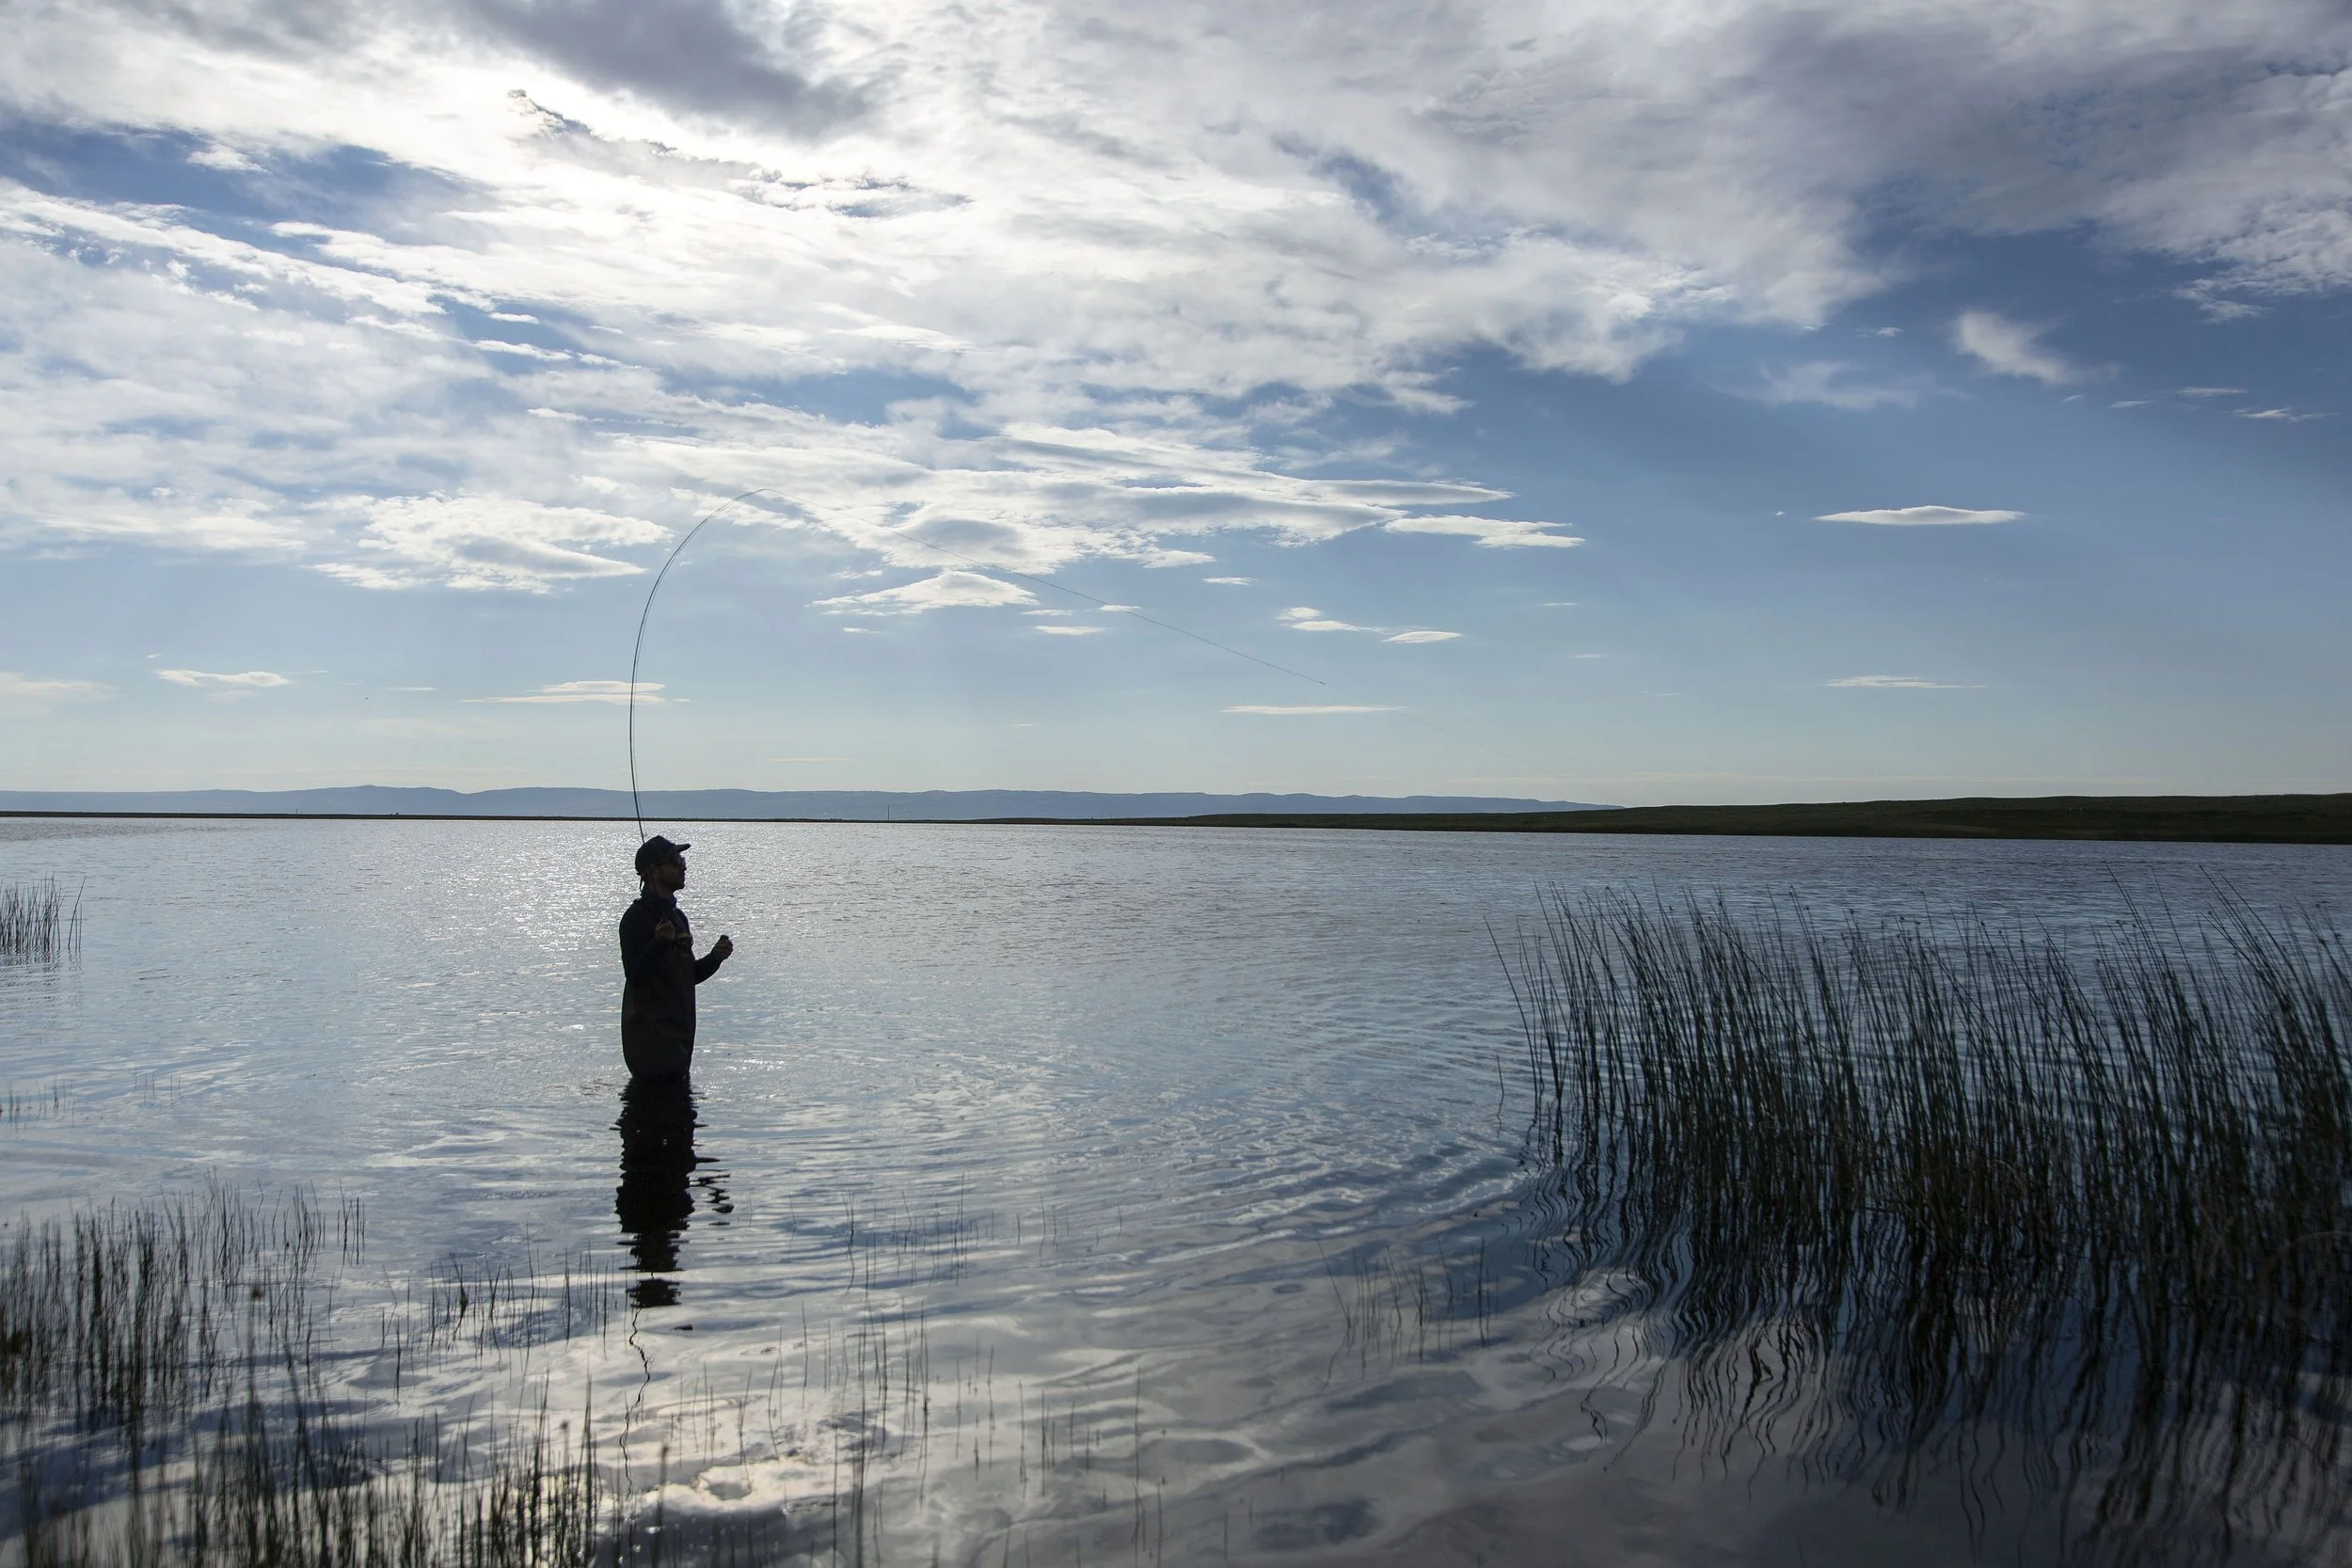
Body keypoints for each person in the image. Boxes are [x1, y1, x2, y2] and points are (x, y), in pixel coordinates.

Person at [617, 835, 733, 1080]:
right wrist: (658, 944)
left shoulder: (677, 916)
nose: (683, 866)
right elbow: (635, 975)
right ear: (654, 872)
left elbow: (687, 975)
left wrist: (715, 958)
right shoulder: (635, 918)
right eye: (675, 861)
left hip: (679, 1041)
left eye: (682, 859)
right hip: (650, 1044)